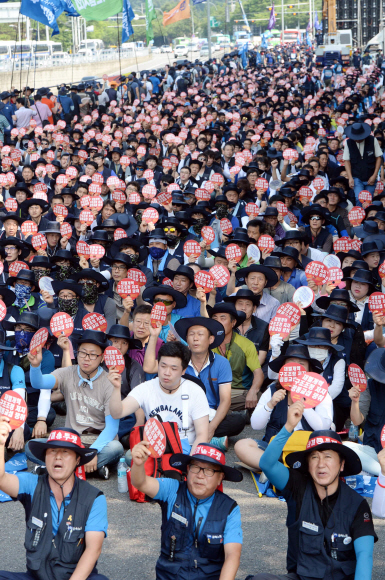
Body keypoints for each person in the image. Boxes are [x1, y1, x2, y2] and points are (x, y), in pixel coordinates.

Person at [249, 402, 377, 580]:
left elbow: (365, 555)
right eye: (314, 457)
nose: (321, 464)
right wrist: (288, 427)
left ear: (341, 465)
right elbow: (267, 464)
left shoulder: (357, 504)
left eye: (328, 457)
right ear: (307, 465)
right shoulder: (297, 486)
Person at [0, 422, 109, 580]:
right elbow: (2, 479)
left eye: (65, 452)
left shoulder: (94, 498)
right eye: (52, 451)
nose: (58, 456)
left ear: (78, 459)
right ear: (45, 457)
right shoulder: (32, 484)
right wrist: (1, 443)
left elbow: (93, 550)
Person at [130, 440, 243, 580]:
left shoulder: (229, 508)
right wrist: (138, 464)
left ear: (220, 478)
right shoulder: (172, 490)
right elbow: (141, 482)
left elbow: (232, 555)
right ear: (188, 470)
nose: (200, 475)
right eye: (196, 467)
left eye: (209, 470)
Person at [26, 330, 124, 479]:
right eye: (82, 353)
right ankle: (88, 468)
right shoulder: (67, 373)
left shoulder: (109, 382)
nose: (86, 358)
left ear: (102, 357)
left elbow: (112, 428)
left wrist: (93, 452)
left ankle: (56, 469)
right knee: (31, 446)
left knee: (116, 448)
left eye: (92, 355)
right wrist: (35, 365)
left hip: (98, 440)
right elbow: (39, 382)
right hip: (70, 441)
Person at [109, 341, 209, 455]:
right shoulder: (147, 388)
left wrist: (191, 464)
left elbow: (202, 435)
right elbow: (117, 413)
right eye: (163, 366)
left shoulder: (195, 391)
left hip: (185, 449)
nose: (167, 372)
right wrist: (116, 388)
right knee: (130, 456)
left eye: (174, 368)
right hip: (153, 448)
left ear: (184, 370)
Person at [343, 121, 383, 205]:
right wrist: (350, 177)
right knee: (359, 198)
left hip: (370, 176)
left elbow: (378, 158)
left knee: (368, 199)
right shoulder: (348, 143)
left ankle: (368, 217)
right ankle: (360, 217)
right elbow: (346, 161)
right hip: (356, 177)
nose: (357, 139)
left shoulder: (373, 140)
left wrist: (374, 175)